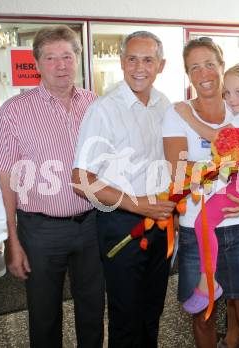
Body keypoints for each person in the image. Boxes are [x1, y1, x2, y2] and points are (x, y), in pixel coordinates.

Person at [0, 25, 104, 347]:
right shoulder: (14, 112)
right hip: (41, 231)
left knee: (93, 307)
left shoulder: (94, 104)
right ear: (36, 64)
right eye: (50, 58)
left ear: (78, 59)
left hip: (92, 224)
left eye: (67, 56)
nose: (60, 65)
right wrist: (13, 241)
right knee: (44, 314)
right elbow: (4, 180)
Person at [162, 37, 239, 348]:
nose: (204, 74)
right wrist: (238, 161)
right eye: (194, 67)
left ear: (222, 66)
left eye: (210, 64)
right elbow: (179, 172)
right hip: (196, 228)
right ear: (187, 74)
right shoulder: (177, 112)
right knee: (203, 319)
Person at [72, 31, 176, 348]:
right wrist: (137, 204)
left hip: (161, 224)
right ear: (121, 63)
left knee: (153, 310)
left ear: (161, 65)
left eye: (148, 60)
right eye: (132, 59)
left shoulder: (165, 105)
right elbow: (81, 179)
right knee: (125, 316)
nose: (139, 67)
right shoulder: (104, 109)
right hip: (121, 224)